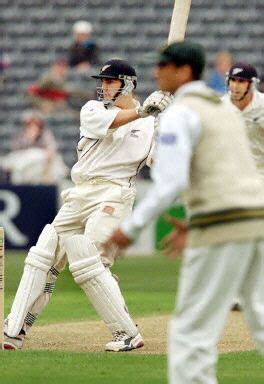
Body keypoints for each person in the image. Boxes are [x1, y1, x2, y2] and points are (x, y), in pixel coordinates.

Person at [104, 41, 264, 383]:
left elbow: (170, 182)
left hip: (222, 224)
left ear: (183, 70)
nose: (155, 72)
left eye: (163, 66)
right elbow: (226, 174)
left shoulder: (182, 112)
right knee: (261, 320)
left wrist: (130, 228)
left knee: (191, 332)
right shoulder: (223, 109)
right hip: (255, 219)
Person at [4, 59, 172, 351]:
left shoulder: (150, 123)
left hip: (115, 194)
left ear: (128, 84)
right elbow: (115, 124)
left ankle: (127, 333)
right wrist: (145, 111)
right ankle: (15, 328)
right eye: (102, 82)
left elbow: (162, 162)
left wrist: (166, 119)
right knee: (43, 254)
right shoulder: (93, 110)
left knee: (88, 260)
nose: (103, 87)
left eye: (110, 82)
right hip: (80, 193)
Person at [0, 110, 68, 184]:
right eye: (30, 125)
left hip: (40, 164)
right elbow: (16, 152)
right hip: (24, 164)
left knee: (55, 163)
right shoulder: (21, 135)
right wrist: (29, 139)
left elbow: (51, 151)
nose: (32, 127)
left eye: (35, 125)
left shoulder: (46, 135)